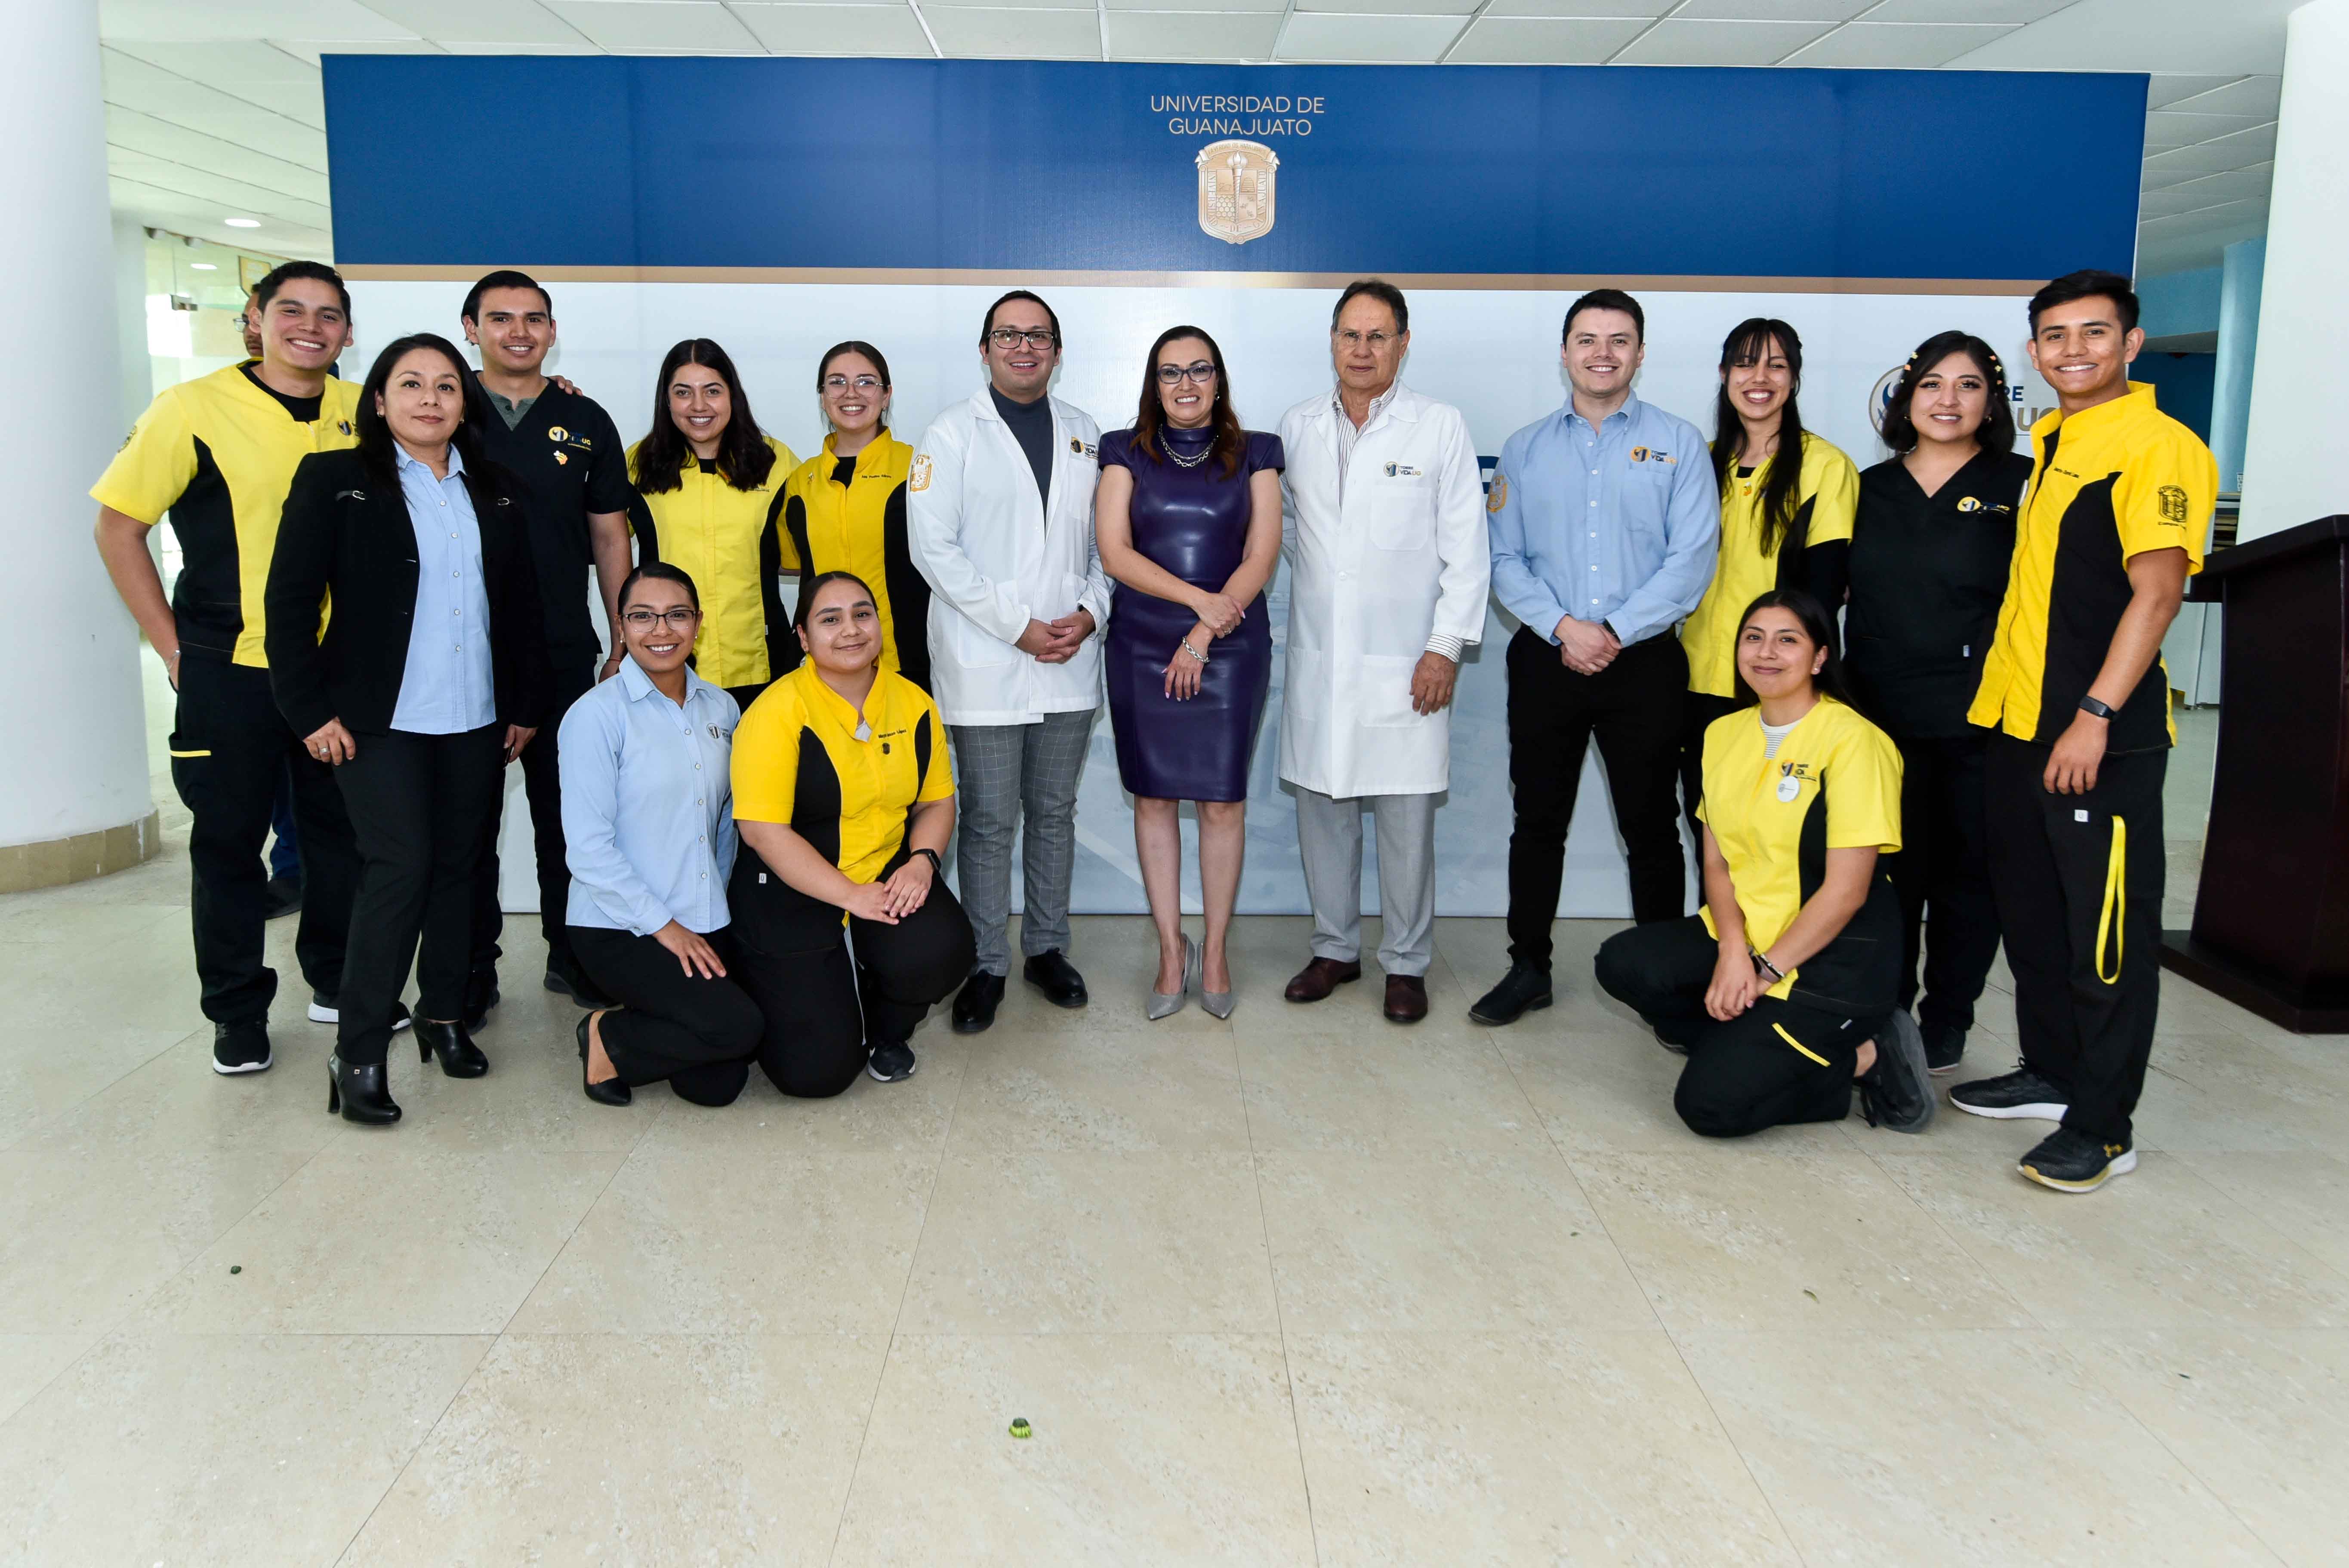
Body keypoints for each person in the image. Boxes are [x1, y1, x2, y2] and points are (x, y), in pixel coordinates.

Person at [1952, 269, 2214, 1194]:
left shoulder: (2158, 447)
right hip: (2020, 728)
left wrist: (2094, 715)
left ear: (2130, 344)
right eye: (2056, 336)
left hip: (2098, 737)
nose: (2074, 351)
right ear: (2034, 352)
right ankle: (2054, 1073)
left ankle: (2103, 1127)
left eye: (2094, 333)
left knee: (2105, 937)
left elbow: (2158, 594)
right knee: (2034, 919)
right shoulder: (2057, 442)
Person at [265, 333, 552, 1126]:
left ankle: (444, 1015)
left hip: (475, 716)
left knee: (462, 868)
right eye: (412, 384)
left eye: (447, 386)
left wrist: (526, 704)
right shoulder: (336, 480)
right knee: (401, 868)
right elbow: (288, 604)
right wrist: (308, 711)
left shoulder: (496, 490)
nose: (431, 398)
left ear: (465, 403)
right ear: (380, 400)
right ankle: (358, 1051)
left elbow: (521, 607)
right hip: (376, 721)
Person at [91, 259, 365, 1075]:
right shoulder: (191, 408)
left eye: (328, 314)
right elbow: (118, 528)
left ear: (348, 332)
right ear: (256, 319)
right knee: (229, 846)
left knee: (341, 838)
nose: (310, 327)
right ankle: (237, 1012)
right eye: (292, 310)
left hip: (335, 671)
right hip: (230, 668)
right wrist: (172, 647)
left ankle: (337, 982)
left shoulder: (365, 409)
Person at [1595, 590, 1934, 1139]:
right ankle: (1746, 1046)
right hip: (1751, 934)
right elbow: (1717, 863)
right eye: (1753, 638)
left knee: (1709, 1108)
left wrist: (1763, 972)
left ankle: (1869, 1057)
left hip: (1833, 958)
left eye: (1787, 640)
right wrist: (1733, 951)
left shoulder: (1855, 741)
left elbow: (1847, 891)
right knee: (1623, 963)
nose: (1766, 653)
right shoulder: (1723, 733)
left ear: (1820, 657)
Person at [1474, 288, 1721, 1027]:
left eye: (1619, 340)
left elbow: (1692, 559)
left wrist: (1612, 629)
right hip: (1547, 658)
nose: (1602, 353)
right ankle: (1529, 967)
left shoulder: (1680, 443)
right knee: (1538, 822)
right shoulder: (1524, 448)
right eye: (1587, 339)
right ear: (1565, 353)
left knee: (1651, 828)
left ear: (1640, 354)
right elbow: (1503, 557)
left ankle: (1663, 982)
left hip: (1643, 662)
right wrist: (1564, 628)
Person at [1275, 279, 1489, 1024]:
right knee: (1323, 809)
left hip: (1408, 661)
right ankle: (1335, 948)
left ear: (1403, 343)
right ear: (1332, 341)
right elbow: (1291, 530)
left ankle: (1406, 962)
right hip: (1322, 655)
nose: (1362, 350)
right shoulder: (1298, 425)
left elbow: (1468, 549)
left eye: (1378, 336)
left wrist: (1443, 647)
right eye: (1350, 335)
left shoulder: (1439, 426)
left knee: (1405, 821)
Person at [907, 290, 1109, 1033]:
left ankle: (1047, 949)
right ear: (985, 349)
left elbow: (1109, 546)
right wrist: (1018, 627)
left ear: (1057, 351)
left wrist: (1092, 612)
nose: (1024, 347)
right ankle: (987, 962)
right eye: (1009, 335)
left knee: (1053, 812)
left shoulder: (1086, 434)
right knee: (990, 819)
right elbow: (933, 551)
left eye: (1038, 336)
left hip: (1069, 658)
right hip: (985, 659)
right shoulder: (950, 433)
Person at [1846, 331, 2031, 1077]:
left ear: (1993, 402)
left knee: (1967, 882)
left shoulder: (2022, 484)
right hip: (1878, 717)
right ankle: (1885, 1012)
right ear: (1907, 397)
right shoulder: (1868, 487)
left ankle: (1947, 1020)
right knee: (1888, 879)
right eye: (1931, 384)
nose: (1947, 400)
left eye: (1968, 385)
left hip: (1978, 719)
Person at [454, 269, 637, 1026]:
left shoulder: (584, 418)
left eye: (534, 318)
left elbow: (610, 536)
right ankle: (470, 970)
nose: (519, 332)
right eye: (501, 318)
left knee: (569, 818)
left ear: (553, 332)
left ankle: (573, 952)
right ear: (472, 329)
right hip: (461, 654)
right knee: (466, 826)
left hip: (562, 650)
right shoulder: (444, 409)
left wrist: (622, 638)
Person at [1095, 325, 1284, 1018]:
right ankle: (1172, 950)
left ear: (1218, 379)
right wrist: (1195, 602)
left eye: (1199, 370)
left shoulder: (1257, 451)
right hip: (1142, 643)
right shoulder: (1122, 450)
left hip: (1230, 644)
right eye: (1171, 372)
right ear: (1154, 384)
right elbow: (1115, 553)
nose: (1186, 384)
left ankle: (1219, 949)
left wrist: (1205, 629)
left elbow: (1261, 555)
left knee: (1222, 802)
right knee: (1153, 798)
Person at [728, 572, 976, 1091]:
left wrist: (923, 861)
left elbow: (936, 801)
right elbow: (762, 832)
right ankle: (777, 984)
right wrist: (850, 896)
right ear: (803, 637)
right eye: (830, 619)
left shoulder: (914, 703)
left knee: (942, 952)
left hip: (882, 871)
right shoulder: (775, 712)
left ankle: (886, 1026)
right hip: (792, 886)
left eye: (863, 614)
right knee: (816, 1075)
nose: (850, 630)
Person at [561, 563, 764, 1108]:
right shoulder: (594, 716)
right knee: (738, 1029)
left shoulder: (722, 707)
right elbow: (588, 850)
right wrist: (666, 928)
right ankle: (605, 1034)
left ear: (698, 623)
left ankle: (641, 1019)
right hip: (618, 924)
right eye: (642, 617)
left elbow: (724, 825)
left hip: (702, 914)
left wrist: (715, 910)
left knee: (717, 1084)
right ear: (621, 627)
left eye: (677, 615)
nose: (661, 630)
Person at [1679, 319, 1858, 853]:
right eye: (1745, 363)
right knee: (1711, 837)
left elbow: (1823, 593)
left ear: (1795, 379)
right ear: (1723, 374)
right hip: (1695, 683)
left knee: (1779, 842)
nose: (1760, 378)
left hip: (1779, 688)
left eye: (1776, 366)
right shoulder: (1698, 462)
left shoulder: (1825, 466)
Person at [628, 339, 800, 712]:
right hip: (665, 659)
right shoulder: (639, 464)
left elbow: (806, 551)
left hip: (759, 658)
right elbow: (602, 543)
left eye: (712, 391)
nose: (699, 406)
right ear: (666, 400)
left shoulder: (776, 461)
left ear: (732, 396)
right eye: (683, 393)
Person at [777, 342, 932, 691]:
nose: (851, 393)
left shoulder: (919, 469)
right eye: (837, 382)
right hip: (820, 666)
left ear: (887, 395)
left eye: (866, 382)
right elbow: (793, 565)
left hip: (906, 662)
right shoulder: (799, 482)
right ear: (822, 397)